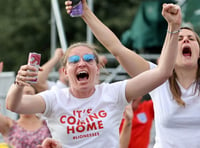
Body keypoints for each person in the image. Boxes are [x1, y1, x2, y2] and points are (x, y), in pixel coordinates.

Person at [6, 3, 180, 148]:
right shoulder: (54, 99)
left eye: (89, 59)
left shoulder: (113, 93)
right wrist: (19, 82)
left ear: (98, 68)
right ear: (65, 72)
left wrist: (173, 27)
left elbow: (163, 73)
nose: (82, 63)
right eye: (74, 60)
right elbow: (14, 105)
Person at [66, 1, 200, 147]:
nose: (186, 39)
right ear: (170, 52)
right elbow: (116, 49)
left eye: (191, 39)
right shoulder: (158, 78)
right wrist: (86, 12)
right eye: (179, 39)